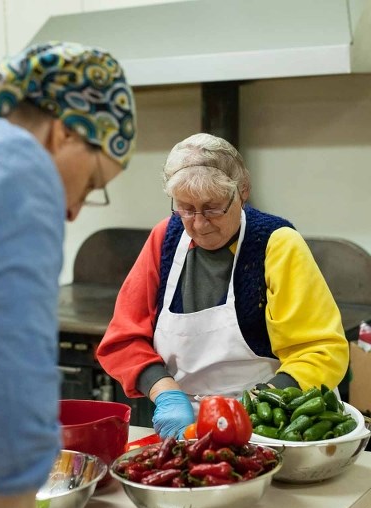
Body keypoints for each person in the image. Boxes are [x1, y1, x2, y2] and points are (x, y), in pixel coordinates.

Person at [0, 41, 136, 508]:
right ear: (66, 131)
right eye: (92, 183)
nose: (73, 211)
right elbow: (4, 372)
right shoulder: (15, 162)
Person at [97, 133, 349, 440]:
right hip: (186, 425)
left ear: (242, 192)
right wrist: (166, 394)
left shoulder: (276, 243)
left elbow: (320, 350)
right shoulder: (165, 238)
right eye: (186, 208)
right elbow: (123, 338)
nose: (199, 224)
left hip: (272, 422)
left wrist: (254, 408)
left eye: (212, 208)